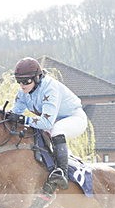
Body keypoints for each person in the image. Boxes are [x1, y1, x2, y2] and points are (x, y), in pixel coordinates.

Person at [6, 57, 88, 190]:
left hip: (74, 118)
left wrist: (22, 119)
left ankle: (62, 173)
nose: (22, 85)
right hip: (52, 123)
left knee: (57, 130)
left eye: (26, 81)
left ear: (37, 78)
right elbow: (14, 113)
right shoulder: (23, 92)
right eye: (19, 81)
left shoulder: (50, 88)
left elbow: (46, 122)